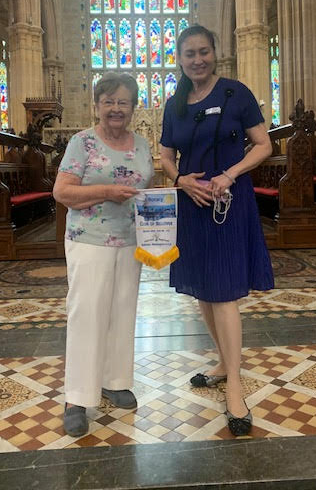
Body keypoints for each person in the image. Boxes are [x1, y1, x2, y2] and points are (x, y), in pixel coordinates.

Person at [159, 25, 274, 436]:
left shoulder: (235, 93)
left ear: (215, 52)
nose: (197, 60)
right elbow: (166, 154)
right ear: (181, 58)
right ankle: (225, 363)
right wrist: (179, 180)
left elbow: (263, 145)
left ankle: (236, 384)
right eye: (189, 53)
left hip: (227, 202)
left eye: (204, 51)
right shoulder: (175, 103)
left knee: (224, 291)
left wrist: (230, 173)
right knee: (203, 289)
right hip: (193, 205)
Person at [53, 72, 154, 437]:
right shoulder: (82, 143)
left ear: (132, 107)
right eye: (108, 101)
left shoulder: (141, 144)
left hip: (130, 241)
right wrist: (107, 191)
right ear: (96, 105)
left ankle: (114, 380)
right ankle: (77, 398)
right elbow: (62, 193)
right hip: (89, 238)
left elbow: (146, 189)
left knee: (122, 310)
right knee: (87, 314)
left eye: (123, 102)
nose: (115, 108)